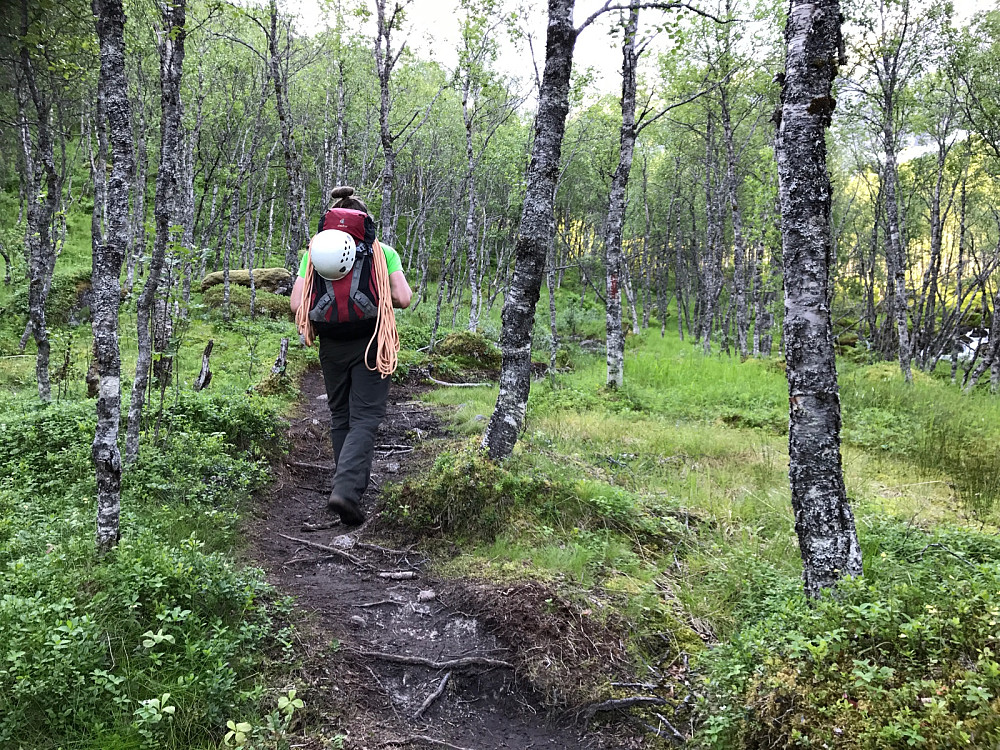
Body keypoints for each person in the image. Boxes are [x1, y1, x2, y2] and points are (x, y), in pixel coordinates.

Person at [290, 187, 412, 525]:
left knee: (341, 416)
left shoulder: (313, 253)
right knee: (366, 418)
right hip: (374, 340)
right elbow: (403, 297)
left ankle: (346, 491)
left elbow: (297, 305)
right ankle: (345, 491)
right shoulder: (381, 251)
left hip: (331, 344)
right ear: (365, 221)